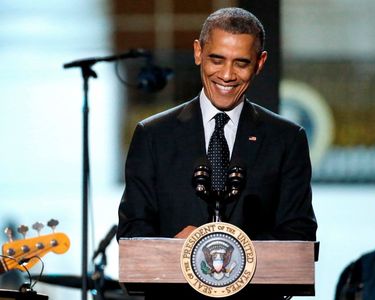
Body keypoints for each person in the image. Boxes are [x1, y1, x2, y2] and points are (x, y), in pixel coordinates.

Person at [117, 7, 317, 299]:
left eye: (241, 63)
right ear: (198, 52)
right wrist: (177, 248)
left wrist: (231, 249)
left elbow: (299, 234)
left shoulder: (286, 139)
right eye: (217, 59)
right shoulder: (153, 136)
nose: (227, 75)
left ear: (260, 63)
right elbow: (132, 230)